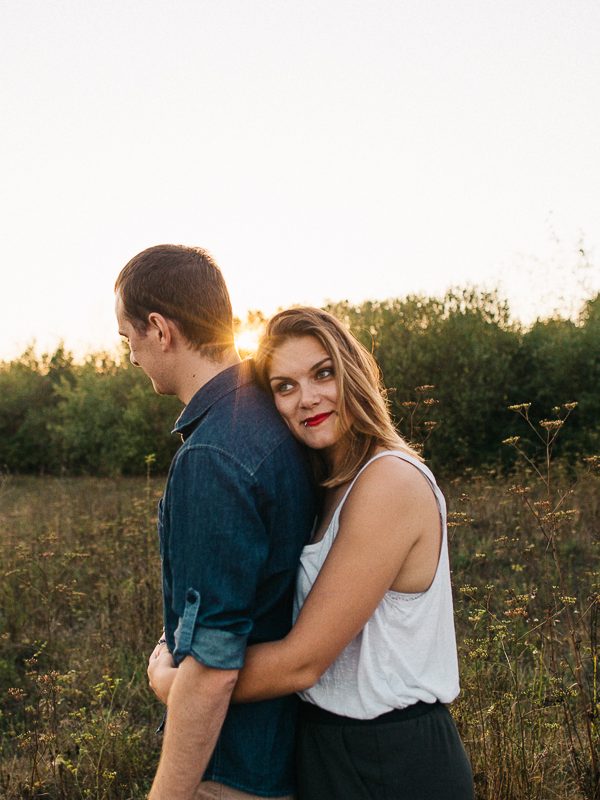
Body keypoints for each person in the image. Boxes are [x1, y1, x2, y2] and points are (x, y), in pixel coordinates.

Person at [150, 305, 474, 799]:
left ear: (353, 372)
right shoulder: (325, 486)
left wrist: (182, 687)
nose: (308, 398)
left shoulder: (389, 481)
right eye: (285, 386)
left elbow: (303, 662)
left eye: (323, 374)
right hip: (323, 746)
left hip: (395, 756)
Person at [115, 245, 317, 800]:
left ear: (159, 329)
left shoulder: (214, 455)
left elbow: (214, 665)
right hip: (283, 752)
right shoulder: (277, 420)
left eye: (125, 336)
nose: (129, 354)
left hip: (233, 770)